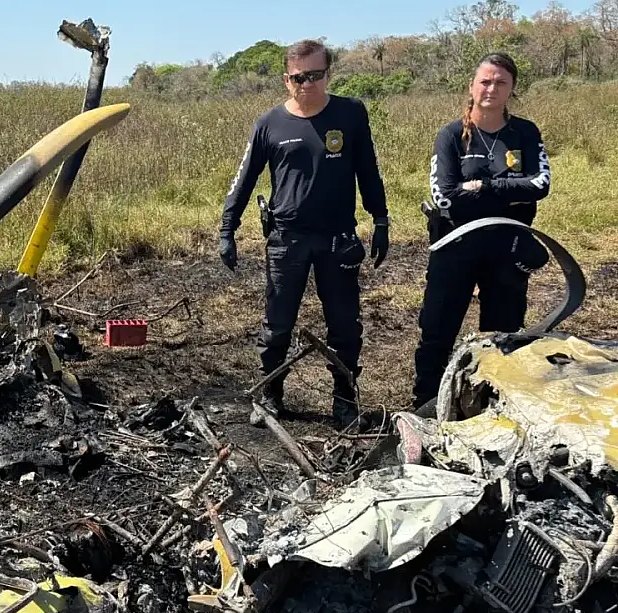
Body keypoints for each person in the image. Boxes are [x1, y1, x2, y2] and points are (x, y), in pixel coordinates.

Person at [219, 39, 390, 427]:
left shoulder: (351, 114)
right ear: (286, 80)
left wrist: (380, 220)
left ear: (328, 74)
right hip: (287, 241)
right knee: (277, 324)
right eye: (299, 77)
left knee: (345, 326)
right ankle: (269, 395)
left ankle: (345, 399)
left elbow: (369, 169)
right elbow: (243, 180)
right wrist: (228, 228)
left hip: (338, 239)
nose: (307, 84)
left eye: (315, 75)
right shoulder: (269, 124)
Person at [412, 52, 551, 409]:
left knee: (503, 336)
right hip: (455, 244)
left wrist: (484, 188)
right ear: (472, 87)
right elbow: (445, 197)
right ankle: (425, 407)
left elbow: (539, 185)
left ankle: (491, 407)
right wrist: (508, 190)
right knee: (436, 334)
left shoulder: (525, 132)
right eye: (485, 81)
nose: (491, 88)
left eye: (500, 82)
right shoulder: (451, 136)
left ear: (512, 89)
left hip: (508, 247)